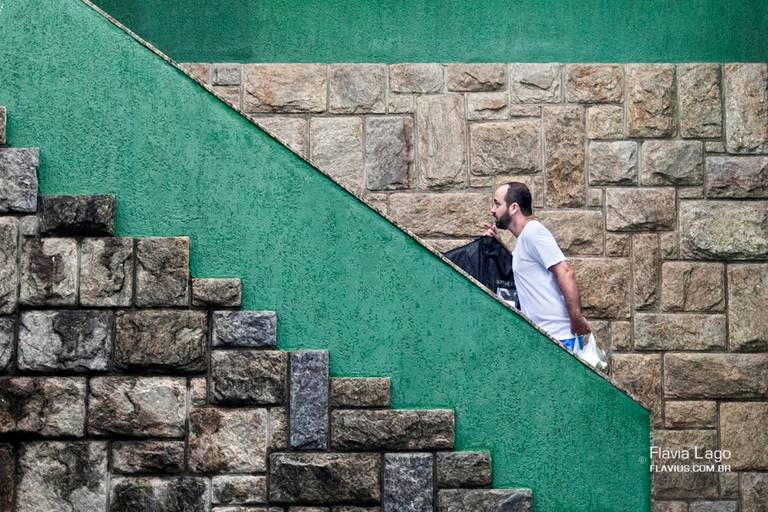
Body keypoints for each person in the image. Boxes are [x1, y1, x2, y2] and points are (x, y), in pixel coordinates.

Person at [483, 182, 591, 353]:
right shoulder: (525, 239)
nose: (492, 210)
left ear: (513, 208)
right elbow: (530, 271)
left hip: (560, 339)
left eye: (497, 204)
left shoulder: (534, 231)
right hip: (547, 338)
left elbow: (565, 272)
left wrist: (576, 318)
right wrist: (499, 244)